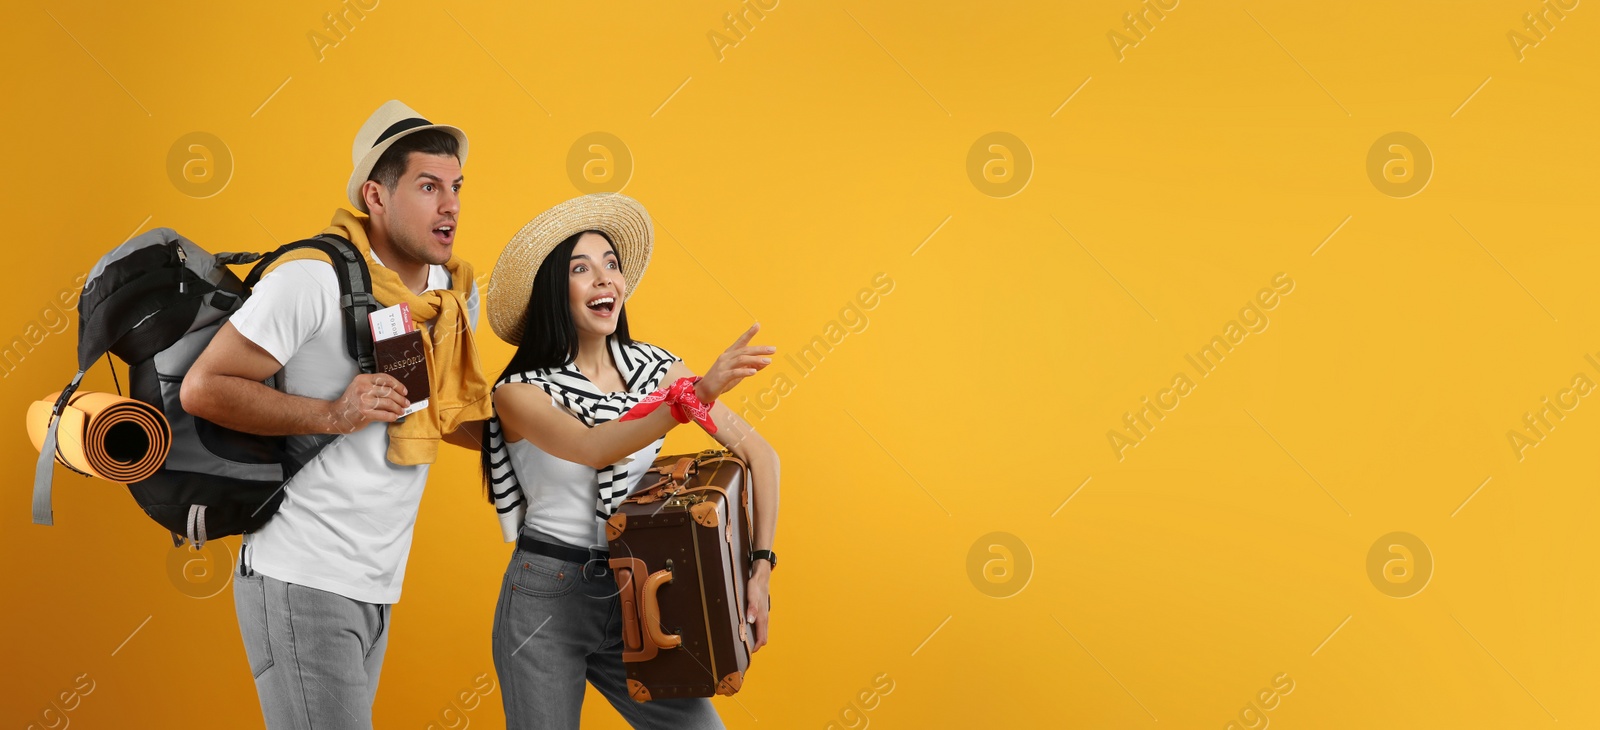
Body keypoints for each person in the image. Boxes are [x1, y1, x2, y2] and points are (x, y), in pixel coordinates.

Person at [181, 100, 491, 729]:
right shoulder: (312, 280)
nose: (450, 204)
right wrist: (333, 413)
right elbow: (204, 387)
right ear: (375, 196)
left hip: (377, 581)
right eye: (428, 186)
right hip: (302, 575)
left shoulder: (450, 300)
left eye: (456, 186)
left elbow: (431, 410)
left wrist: (556, 434)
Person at [480, 193, 781, 728]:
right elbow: (594, 445)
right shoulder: (519, 391)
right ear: (555, 291)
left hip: (641, 586)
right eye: (581, 269)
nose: (604, 279)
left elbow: (761, 456)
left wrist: (759, 572)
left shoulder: (655, 370)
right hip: (546, 592)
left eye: (611, 264)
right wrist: (693, 397)